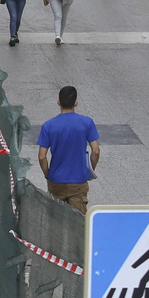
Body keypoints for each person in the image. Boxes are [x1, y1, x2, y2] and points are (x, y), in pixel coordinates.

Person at [36, 86, 100, 214]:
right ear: (76, 103)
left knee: (56, 220)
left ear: (58, 102)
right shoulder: (87, 123)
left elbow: (42, 156)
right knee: (78, 223)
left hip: (56, 181)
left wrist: (48, 174)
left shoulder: (48, 125)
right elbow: (96, 151)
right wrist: (88, 170)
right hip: (78, 182)